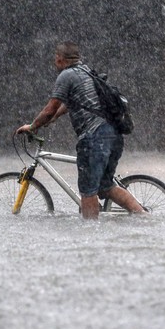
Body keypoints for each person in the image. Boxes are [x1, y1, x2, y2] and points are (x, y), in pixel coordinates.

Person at [16, 41, 145, 219]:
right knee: (105, 186)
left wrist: (32, 127)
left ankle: (90, 235)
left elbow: (50, 108)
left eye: (55, 58)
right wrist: (53, 119)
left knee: (88, 190)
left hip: (95, 137)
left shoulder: (66, 75)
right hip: (114, 134)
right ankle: (143, 217)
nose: (54, 62)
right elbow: (70, 104)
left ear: (60, 59)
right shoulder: (86, 72)